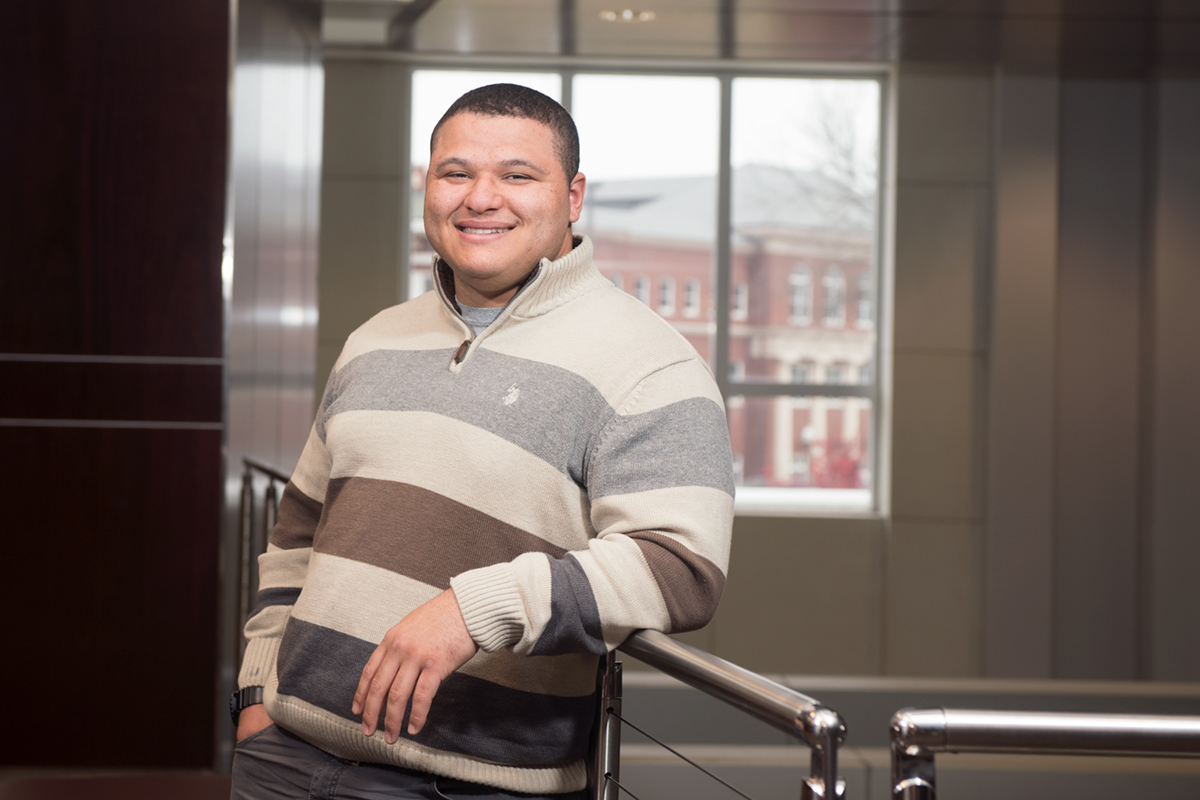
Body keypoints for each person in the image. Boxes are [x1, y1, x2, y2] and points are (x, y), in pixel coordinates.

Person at [230, 83, 734, 799]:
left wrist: (476, 609)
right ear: (428, 187)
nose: (481, 197)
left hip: (475, 783)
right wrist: (255, 694)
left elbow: (681, 569)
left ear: (573, 196)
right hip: (283, 760)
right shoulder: (374, 339)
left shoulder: (652, 364)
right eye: (456, 172)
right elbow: (297, 536)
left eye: (518, 175)